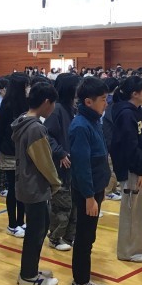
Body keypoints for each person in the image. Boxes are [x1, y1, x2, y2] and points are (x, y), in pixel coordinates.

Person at [11, 82, 61, 285]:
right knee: (36, 232)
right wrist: (55, 182)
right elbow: (44, 161)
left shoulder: (22, 121)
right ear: (47, 102)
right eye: (53, 104)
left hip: (26, 184)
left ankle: (30, 269)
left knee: (37, 229)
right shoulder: (35, 128)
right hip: (35, 187)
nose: (53, 108)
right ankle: (28, 276)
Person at [68, 77, 111, 285]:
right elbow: (82, 166)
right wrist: (89, 196)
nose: (106, 103)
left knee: (89, 236)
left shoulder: (93, 121)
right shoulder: (80, 126)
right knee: (84, 238)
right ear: (88, 101)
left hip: (96, 188)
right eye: (102, 99)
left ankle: (83, 280)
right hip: (88, 191)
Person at [110, 76, 142, 263]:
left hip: (140, 168)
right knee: (131, 210)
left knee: (141, 210)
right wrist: (141, 170)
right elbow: (129, 147)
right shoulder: (125, 114)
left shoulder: (137, 112)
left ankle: (141, 246)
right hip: (131, 169)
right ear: (135, 94)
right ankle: (128, 251)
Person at [44, 74, 81, 251]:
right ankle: (55, 237)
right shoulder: (57, 109)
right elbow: (47, 135)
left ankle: (68, 236)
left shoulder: (71, 109)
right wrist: (60, 152)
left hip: (72, 166)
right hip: (60, 167)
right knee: (62, 205)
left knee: (73, 204)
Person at [0, 73, 29, 237]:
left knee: (22, 188)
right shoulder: (7, 105)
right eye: (26, 86)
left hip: (23, 152)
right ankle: (12, 223)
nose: (28, 89)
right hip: (9, 152)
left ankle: (21, 221)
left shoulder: (26, 104)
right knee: (13, 189)